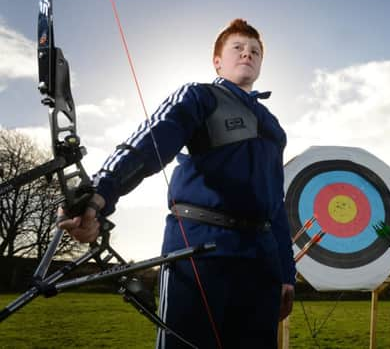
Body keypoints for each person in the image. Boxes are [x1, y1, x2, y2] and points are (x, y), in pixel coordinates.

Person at [58, 19, 296, 349]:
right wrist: (99, 196)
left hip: (261, 261)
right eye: (238, 47)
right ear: (217, 61)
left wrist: (285, 274)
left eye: (255, 50)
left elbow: (277, 207)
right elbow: (149, 143)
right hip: (199, 250)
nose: (248, 54)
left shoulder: (273, 127)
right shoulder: (199, 96)